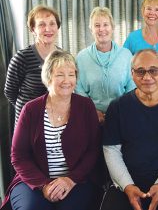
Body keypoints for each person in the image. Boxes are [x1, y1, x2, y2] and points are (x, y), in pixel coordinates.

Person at [0, 50, 101, 210]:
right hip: (34, 181)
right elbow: (18, 156)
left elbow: (94, 149)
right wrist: (44, 185)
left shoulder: (86, 106)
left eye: (71, 74)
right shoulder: (30, 110)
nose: (67, 80)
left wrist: (70, 179)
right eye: (60, 74)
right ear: (48, 77)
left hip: (77, 180)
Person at [100, 49, 158, 210]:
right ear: (132, 73)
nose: (147, 77)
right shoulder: (117, 107)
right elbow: (111, 151)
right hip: (125, 183)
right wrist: (128, 186)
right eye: (140, 71)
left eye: (153, 71)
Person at [75, 7, 135, 124]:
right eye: (97, 25)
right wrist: (92, 111)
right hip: (90, 116)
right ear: (91, 29)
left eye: (106, 24)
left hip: (121, 115)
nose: (101, 29)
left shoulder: (126, 55)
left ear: (112, 27)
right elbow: (79, 88)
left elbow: (131, 86)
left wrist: (119, 110)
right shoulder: (81, 57)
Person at [4, 5, 61, 126]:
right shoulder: (22, 58)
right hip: (28, 120)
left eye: (52, 23)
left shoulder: (63, 56)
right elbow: (10, 91)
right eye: (41, 25)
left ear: (57, 27)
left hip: (55, 120)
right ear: (33, 29)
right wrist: (27, 108)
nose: (48, 29)